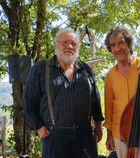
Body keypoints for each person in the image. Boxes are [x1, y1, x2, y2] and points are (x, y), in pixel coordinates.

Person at [22, 29, 104, 158]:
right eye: (65, 42)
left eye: (73, 43)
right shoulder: (40, 68)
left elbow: (95, 99)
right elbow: (28, 101)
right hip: (55, 136)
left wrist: (98, 124)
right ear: (56, 45)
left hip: (84, 135)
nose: (70, 46)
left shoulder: (85, 69)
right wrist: (39, 127)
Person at [103, 26, 140, 158]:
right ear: (110, 49)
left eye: (121, 42)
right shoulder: (109, 76)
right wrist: (109, 135)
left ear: (129, 44)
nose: (117, 48)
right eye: (113, 45)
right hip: (120, 135)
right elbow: (109, 109)